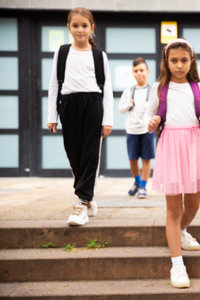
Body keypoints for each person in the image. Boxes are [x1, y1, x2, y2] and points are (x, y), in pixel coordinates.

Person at [146, 38, 200, 288]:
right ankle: (177, 264)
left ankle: (181, 231)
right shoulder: (159, 88)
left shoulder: (198, 87)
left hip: (195, 145)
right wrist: (152, 121)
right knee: (174, 209)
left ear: (191, 62)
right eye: (174, 60)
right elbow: (149, 114)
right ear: (166, 62)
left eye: (184, 60)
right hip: (171, 147)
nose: (179, 65)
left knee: (194, 204)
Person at [47, 7, 113, 226]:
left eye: (84, 26)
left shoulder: (98, 55)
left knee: (90, 153)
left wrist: (107, 119)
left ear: (91, 28)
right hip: (69, 105)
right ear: (69, 27)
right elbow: (54, 84)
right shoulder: (62, 52)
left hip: (93, 104)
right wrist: (52, 115)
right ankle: (87, 195)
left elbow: (108, 89)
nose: (80, 30)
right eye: (75, 25)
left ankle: (81, 203)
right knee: (73, 153)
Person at [118, 57, 155, 199]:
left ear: (147, 71)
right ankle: (137, 181)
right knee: (133, 159)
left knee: (146, 159)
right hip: (132, 130)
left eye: (141, 70)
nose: (139, 73)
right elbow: (121, 109)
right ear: (132, 73)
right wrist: (128, 103)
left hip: (147, 130)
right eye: (136, 71)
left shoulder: (152, 91)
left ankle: (143, 186)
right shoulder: (129, 91)